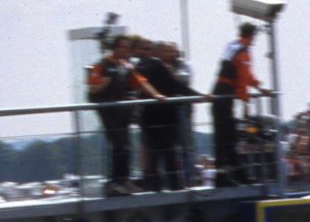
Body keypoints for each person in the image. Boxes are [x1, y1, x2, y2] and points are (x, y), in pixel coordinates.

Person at [87, 35, 166, 196]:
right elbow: (92, 89)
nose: (126, 50)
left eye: (127, 47)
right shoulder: (102, 65)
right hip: (109, 112)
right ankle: (117, 182)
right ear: (115, 48)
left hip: (123, 112)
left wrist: (156, 94)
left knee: (126, 146)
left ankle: (124, 180)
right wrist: (103, 83)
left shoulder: (127, 66)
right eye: (123, 47)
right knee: (120, 145)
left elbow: (141, 82)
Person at [137, 41, 205, 191]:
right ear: (159, 53)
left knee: (157, 151)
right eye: (168, 52)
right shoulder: (158, 66)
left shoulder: (145, 66)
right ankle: (172, 183)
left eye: (173, 52)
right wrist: (198, 96)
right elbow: (175, 85)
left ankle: (155, 184)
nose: (172, 55)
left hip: (151, 115)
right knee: (167, 151)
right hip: (161, 115)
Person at [211, 22, 268, 186]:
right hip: (226, 93)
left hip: (220, 90)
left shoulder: (233, 45)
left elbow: (247, 75)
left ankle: (230, 174)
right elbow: (242, 78)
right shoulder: (243, 52)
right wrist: (245, 102)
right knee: (227, 136)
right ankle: (230, 175)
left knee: (225, 136)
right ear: (252, 36)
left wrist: (258, 86)